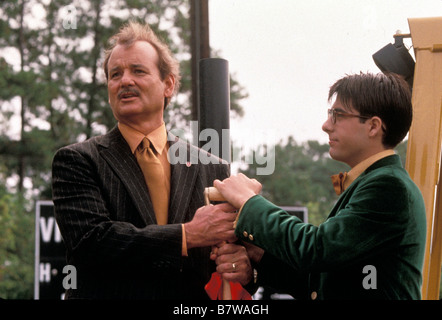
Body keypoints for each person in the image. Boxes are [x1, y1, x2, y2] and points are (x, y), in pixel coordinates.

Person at [52, 21, 243, 299]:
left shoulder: (213, 167)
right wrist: (187, 235)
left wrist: (243, 268)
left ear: (168, 84)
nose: (124, 81)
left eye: (138, 71)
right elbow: (91, 243)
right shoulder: (77, 160)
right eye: (115, 74)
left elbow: (232, 271)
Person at [211, 72, 427, 300]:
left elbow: (317, 249)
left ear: (373, 126)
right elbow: (322, 283)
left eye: (338, 115)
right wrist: (258, 256)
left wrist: (249, 203)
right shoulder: (375, 183)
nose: (326, 126)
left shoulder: (388, 187)